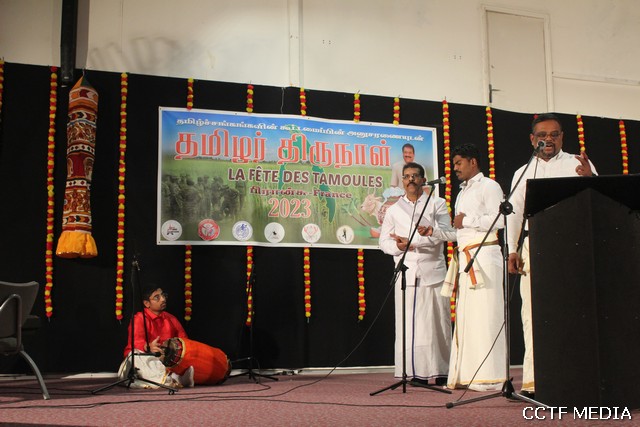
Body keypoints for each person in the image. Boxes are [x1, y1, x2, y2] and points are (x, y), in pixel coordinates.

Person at [506, 113, 597, 399]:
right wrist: (512, 249)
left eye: (554, 134)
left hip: (571, 246)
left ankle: (575, 380)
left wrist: (591, 180)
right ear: (532, 139)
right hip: (533, 245)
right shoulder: (522, 172)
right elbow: (513, 214)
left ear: (562, 137)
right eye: (542, 135)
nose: (549, 139)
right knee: (532, 314)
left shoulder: (577, 164)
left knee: (572, 312)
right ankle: (535, 382)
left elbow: (598, 202)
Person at [428, 143, 507, 391]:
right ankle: (469, 375)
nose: (455, 168)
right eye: (454, 163)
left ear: (473, 162)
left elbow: (501, 220)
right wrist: (434, 232)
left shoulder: (489, 186)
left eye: (458, 163)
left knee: (486, 316)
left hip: (485, 257)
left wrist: (467, 220)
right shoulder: (462, 192)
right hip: (466, 257)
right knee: (467, 318)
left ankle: (491, 378)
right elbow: (460, 232)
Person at [379, 162, 451, 385]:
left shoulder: (437, 204)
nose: (411, 179)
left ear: (422, 179)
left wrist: (419, 239)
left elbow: (447, 233)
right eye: (407, 176)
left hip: (433, 271)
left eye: (415, 176)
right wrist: (398, 246)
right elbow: (383, 242)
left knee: (437, 323)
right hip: (407, 274)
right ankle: (414, 372)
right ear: (402, 181)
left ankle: (441, 371)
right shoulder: (393, 209)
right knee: (410, 325)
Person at [119, 285, 194, 388]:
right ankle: (173, 379)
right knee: (135, 355)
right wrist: (148, 347)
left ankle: (172, 378)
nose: (163, 299)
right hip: (142, 361)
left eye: (163, 295)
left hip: (165, 363)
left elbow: (185, 341)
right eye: (157, 297)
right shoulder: (139, 319)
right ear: (147, 303)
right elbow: (135, 342)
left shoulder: (171, 319)